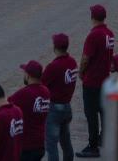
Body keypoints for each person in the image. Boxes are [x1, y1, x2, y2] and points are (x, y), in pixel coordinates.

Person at [77, 5, 114, 158]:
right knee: (103, 111)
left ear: (92, 17)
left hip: (92, 81)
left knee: (91, 115)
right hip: (104, 80)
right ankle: (103, 139)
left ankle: (93, 146)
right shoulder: (109, 34)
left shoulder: (93, 36)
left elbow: (86, 58)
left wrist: (81, 72)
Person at [42, 33, 78, 161]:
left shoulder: (53, 66)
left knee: (51, 145)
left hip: (54, 109)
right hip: (67, 106)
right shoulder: (72, 62)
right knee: (65, 141)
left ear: (55, 47)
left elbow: (41, 84)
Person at [9, 60, 51, 161]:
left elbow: (4, 105)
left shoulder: (24, 93)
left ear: (28, 75)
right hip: (40, 143)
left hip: (27, 146)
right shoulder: (46, 91)